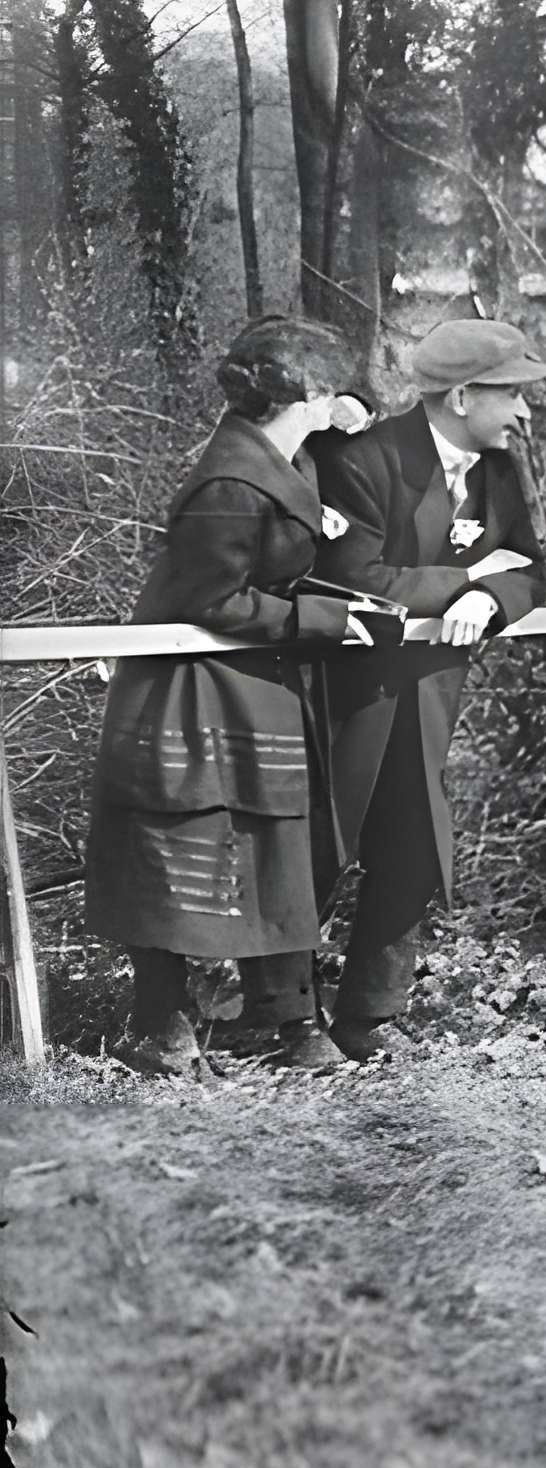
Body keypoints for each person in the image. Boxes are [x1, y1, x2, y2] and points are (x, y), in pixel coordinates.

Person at [84, 318, 382, 1079]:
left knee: (276, 844)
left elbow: (289, 530)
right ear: (308, 394)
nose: (342, 401)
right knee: (179, 840)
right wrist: (327, 619)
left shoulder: (280, 454)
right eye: (331, 391)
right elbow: (210, 601)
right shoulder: (229, 479)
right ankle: (163, 1025)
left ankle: (285, 1019)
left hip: (252, 683)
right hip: (189, 690)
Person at [304, 317, 546, 1060]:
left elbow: (535, 568)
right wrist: (465, 580)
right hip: (348, 696)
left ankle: (370, 1016)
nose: (525, 412)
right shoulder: (366, 460)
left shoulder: (500, 466)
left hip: (430, 695)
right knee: (321, 849)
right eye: (512, 394)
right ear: (463, 396)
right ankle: (274, 1015)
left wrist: (491, 599)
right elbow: (354, 579)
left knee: (414, 847)